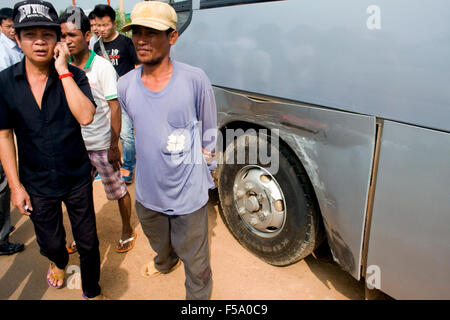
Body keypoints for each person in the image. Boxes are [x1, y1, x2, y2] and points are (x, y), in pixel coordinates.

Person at [0, 1, 104, 299]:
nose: (39, 42)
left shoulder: (74, 75)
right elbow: (4, 134)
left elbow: (85, 116)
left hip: (76, 176)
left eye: (47, 34)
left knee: (88, 241)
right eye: (30, 34)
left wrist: (62, 70)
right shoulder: (5, 83)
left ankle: (92, 290)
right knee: (53, 243)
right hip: (36, 182)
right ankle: (59, 262)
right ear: (17, 39)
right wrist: (16, 186)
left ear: (57, 39)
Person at [118, 1, 217, 300]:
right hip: (148, 196)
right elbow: (141, 131)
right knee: (160, 245)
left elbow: (209, 133)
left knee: (198, 267)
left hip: (188, 197)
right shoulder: (125, 86)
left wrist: (206, 174)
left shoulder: (194, 79)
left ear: (172, 37)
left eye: (152, 32)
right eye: (137, 31)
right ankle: (165, 261)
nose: (142, 39)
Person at [59, 7, 136, 254]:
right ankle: (82, 235)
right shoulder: (61, 67)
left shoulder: (102, 67)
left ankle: (127, 229)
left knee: (117, 189)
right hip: (75, 147)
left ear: (87, 35)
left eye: (73, 35)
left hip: (102, 144)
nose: (67, 41)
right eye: (63, 36)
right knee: (77, 197)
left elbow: (114, 107)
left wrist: (114, 146)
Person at [93, 4, 138, 184]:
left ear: (113, 23)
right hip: (104, 98)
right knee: (106, 133)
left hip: (124, 97)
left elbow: (137, 69)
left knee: (126, 134)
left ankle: (128, 165)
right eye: (98, 25)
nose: (101, 29)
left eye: (105, 25)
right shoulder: (96, 47)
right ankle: (107, 165)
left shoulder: (126, 43)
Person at [0, 7, 24, 256]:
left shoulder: (14, 47)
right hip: (7, 117)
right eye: (9, 27)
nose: (12, 31)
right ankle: (1, 237)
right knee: (3, 183)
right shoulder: (3, 52)